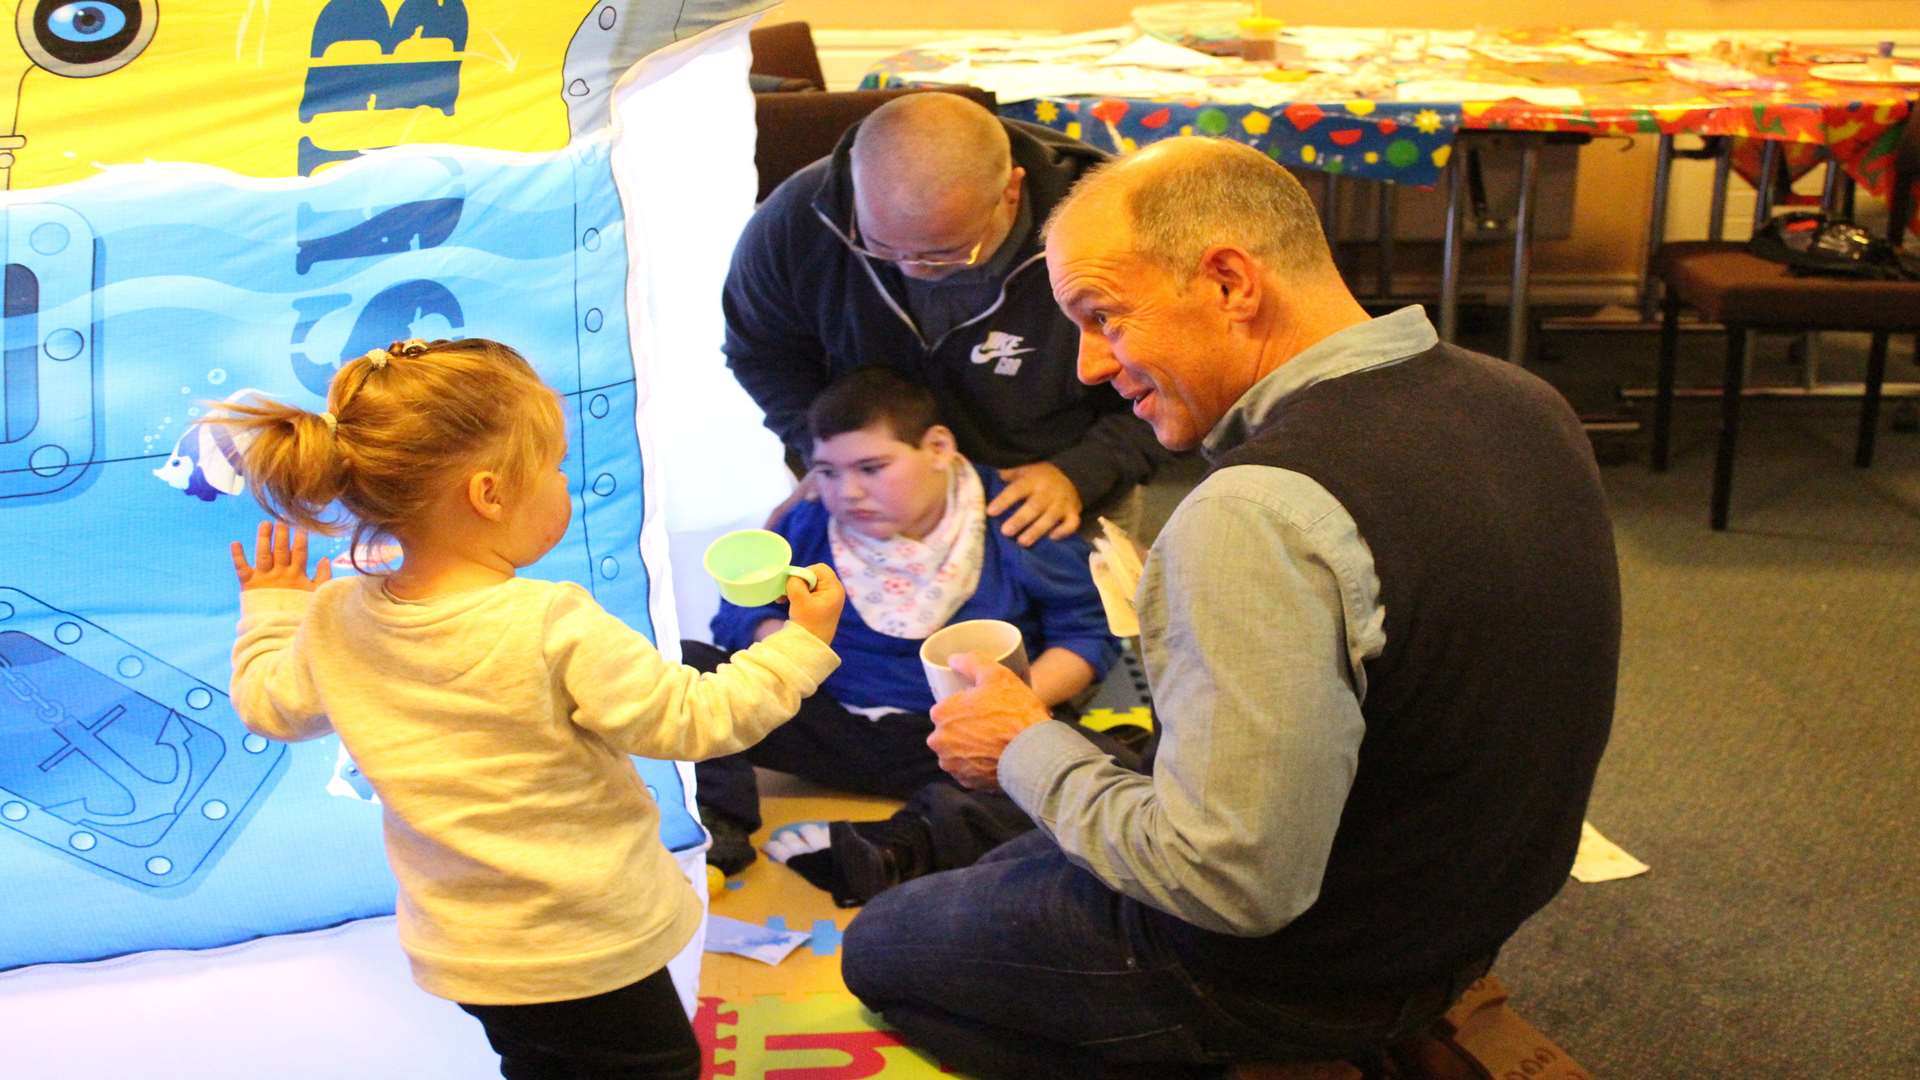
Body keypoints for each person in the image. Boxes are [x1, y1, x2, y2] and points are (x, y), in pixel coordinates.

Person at [840, 138, 1621, 1079]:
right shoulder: (1521, 398)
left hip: (1301, 971)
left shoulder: (1259, 513)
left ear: (1228, 283)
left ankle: (1277, 1061)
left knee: (883, 946)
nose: (1090, 366)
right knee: (1021, 852)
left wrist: (1019, 744)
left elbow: (1227, 881)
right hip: (1467, 908)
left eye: (1104, 317)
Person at [210, 338, 847, 1080]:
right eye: (552, 468)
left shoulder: (334, 619)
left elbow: (267, 705)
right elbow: (694, 721)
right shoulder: (550, 622)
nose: (562, 483)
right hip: (584, 943)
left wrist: (271, 609)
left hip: (470, 948)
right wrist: (802, 643)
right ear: (489, 494)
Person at [688, 366, 1136, 899]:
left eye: (872, 468)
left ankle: (897, 844)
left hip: (951, 743)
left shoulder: (1013, 520)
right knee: (687, 667)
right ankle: (713, 825)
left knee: (1090, 768)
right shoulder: (808, 522)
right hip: (830, 725)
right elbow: (736, 613)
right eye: (826, 472)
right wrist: (779, 638)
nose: (847, 492)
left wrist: (1008, 710)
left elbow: (1089, 630)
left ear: (939, 448)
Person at [722, 91, 1172, 546]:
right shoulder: (800, 219)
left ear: (1010, 191)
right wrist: (831, 456)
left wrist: (1085, 470)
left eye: (945, 254)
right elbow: (760, 350)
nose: (912, 269)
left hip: (1048, 490)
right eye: (878, 248)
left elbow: (1180, 381)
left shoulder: (1114, 233)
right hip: (879, 491)